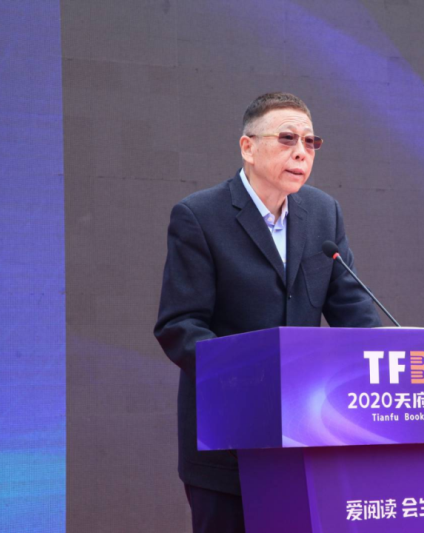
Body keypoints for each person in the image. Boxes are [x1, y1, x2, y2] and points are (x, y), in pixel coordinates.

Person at [154, 92, 381, 533]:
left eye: (310, 141)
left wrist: (380, 359)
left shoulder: (323, 213)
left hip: (305, 440)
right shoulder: (200, 216)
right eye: (287, 138)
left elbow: (353, 308)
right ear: (248, 147)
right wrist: (257, 376)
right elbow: (179, 326)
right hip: (227, 443)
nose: (301, 151)